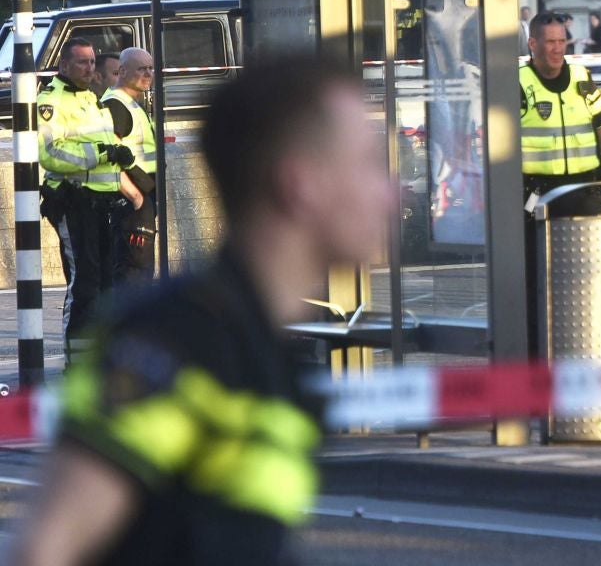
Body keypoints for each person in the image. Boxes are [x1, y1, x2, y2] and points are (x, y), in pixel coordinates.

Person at [14, 57, 395, 566]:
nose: (390, 193)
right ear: (301, 182)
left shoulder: (259, 341)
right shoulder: (175, 337)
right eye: (368, 164)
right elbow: (48, 548)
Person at [521, 12, 601, 352]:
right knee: (537, 289)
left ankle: (586, 356)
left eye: (562, 41)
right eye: (550, 42)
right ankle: (539, 363)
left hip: (585, 196)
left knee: (588, 286)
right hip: (537, 200)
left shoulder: (581, 79)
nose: (557, 49)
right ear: (532, 44)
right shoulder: (518, 83)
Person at [37, 38, 136, 361]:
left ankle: (101, 356)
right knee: (84, 282)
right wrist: (101, 153)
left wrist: (118, 154)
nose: (90, 68)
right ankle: (76, 361)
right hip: (74, 202)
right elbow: (50, 153)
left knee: (107, 282)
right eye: (82, 62)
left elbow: (100, 146)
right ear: (64, 65)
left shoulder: (91, 99)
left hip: (103, 203)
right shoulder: (52, 101)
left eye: (92, 62)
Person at [102, 47, 159, 284]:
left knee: (141, 271)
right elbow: (109, 156)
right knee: (133, 272)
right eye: (141, 69)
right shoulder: (116, 106)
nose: (148, 74)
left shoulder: (132, 103)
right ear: (122, 71)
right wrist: (135, 196)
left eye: (150, 68)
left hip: (142, 197)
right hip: (131, 204)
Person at [583, 10, 601, 76]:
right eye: (591, 19)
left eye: (593, 19)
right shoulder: (594, 30)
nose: (592, 21)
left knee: (597, 73)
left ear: (598, 20)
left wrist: (590, 42)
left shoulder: (600, 29)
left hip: (599, 54)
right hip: (594, 54)